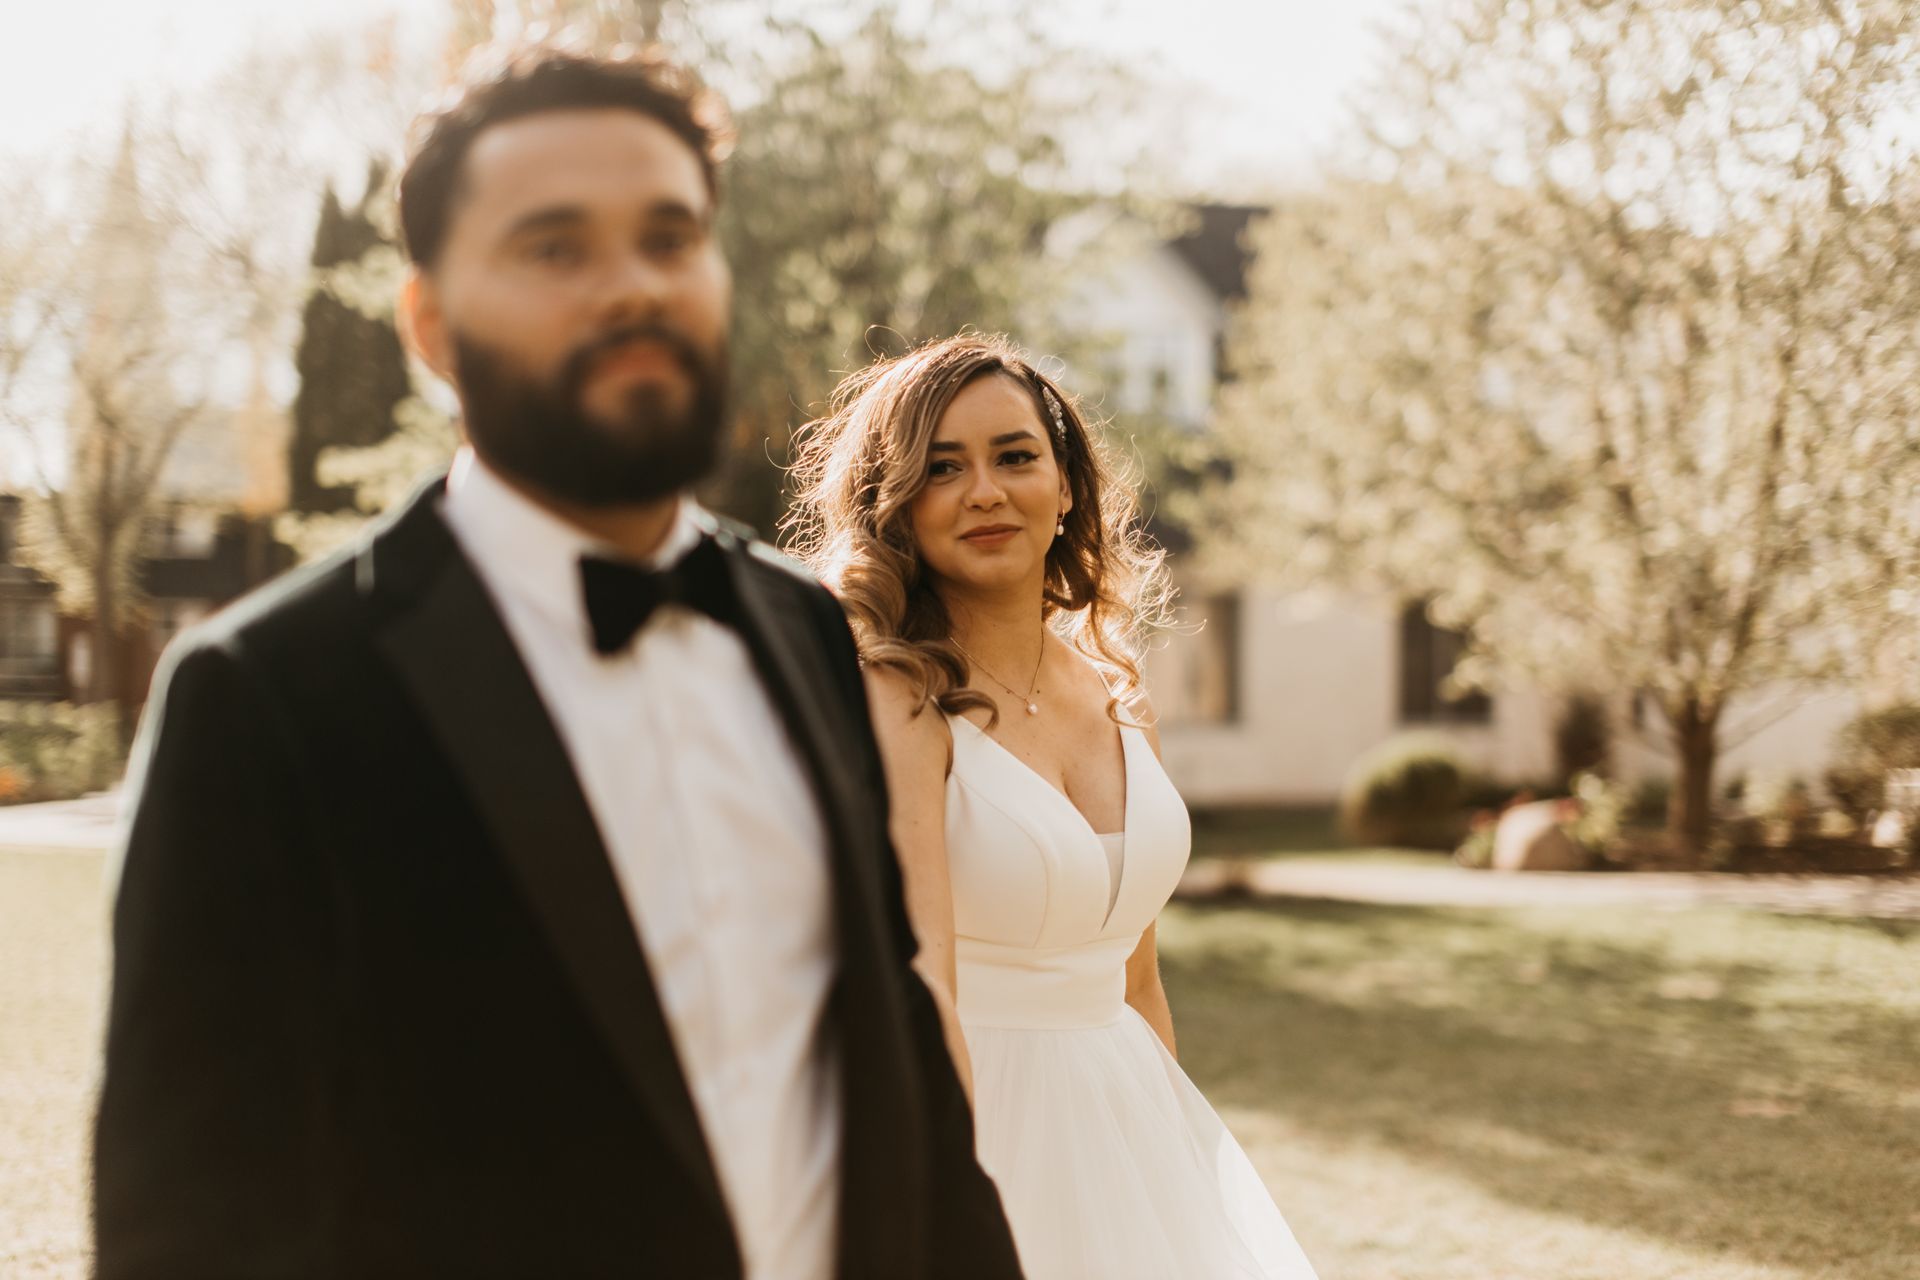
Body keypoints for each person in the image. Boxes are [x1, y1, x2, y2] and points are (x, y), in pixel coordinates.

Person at [93, 49, 1022, 1280]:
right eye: (555, 248)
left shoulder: (806, 635)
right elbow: (189, 1228)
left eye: (669, 235)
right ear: (429, 323)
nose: (632, 286)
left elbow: (894, 1066)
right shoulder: (267, 697)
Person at [785, 333, 1321, 1279]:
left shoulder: (1119, 689)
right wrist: (952, 1188)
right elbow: (922, 971)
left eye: (1015, 456)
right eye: (941, 468)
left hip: (1130, 1121)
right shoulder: (895, 692)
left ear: (1066, 483)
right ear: (895, 505)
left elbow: (1138, 979)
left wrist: (1180, 1172)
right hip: (976, 1119)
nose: (984, 491)